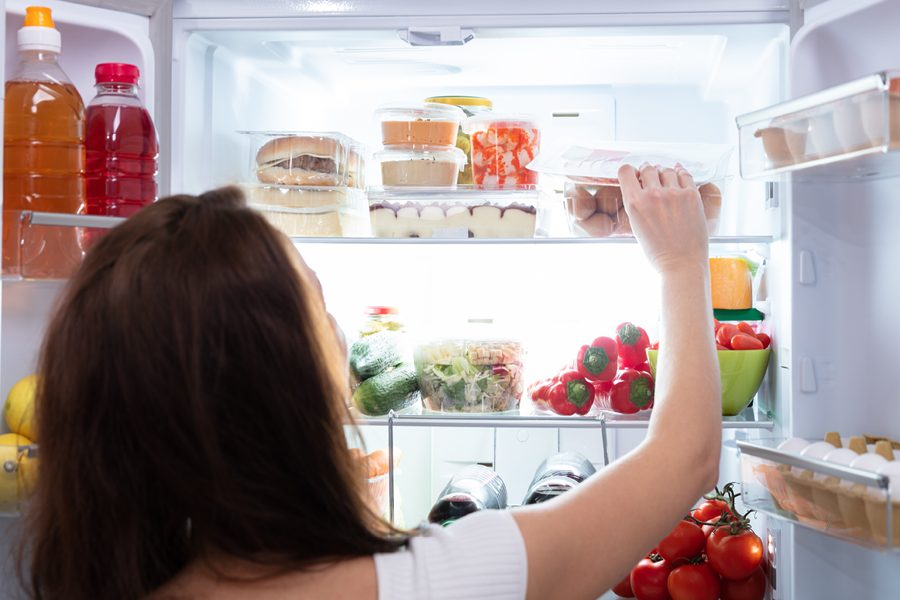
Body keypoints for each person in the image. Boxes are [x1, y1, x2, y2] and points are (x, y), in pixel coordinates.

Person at [22, 163, 720, 600]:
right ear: (284, 382)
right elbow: (683, 456)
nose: (342, 334)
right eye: (320, 306)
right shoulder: (439, 582)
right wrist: (682, 261)